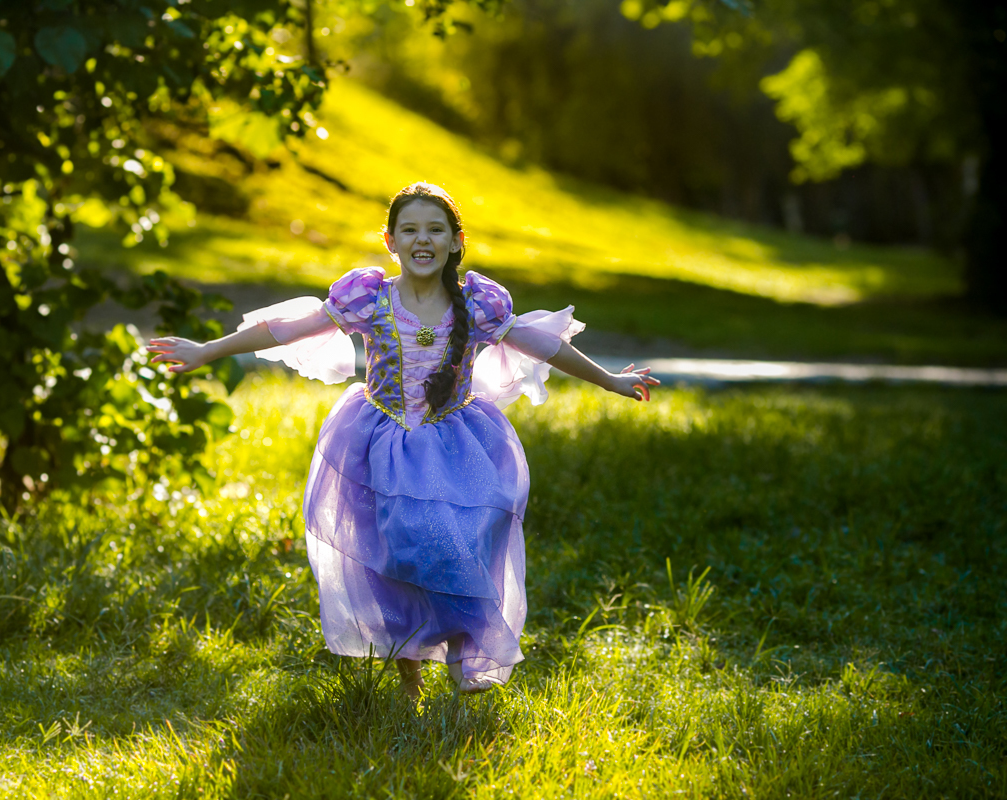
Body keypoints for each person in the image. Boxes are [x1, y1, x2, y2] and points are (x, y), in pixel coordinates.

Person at [147, 182, 659, 697]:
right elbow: (287, 328)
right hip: (382, 443)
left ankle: (466, 649)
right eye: (409, 229)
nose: (423, 239)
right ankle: (409, 675)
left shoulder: (477, 305)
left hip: (458, 446)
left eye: (436, 230)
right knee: (396, 556)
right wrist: (207, 349)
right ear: (390, 241)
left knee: (459, 547)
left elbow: (543, 345)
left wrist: (611, 381)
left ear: (456, 242)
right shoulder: (369, 299)